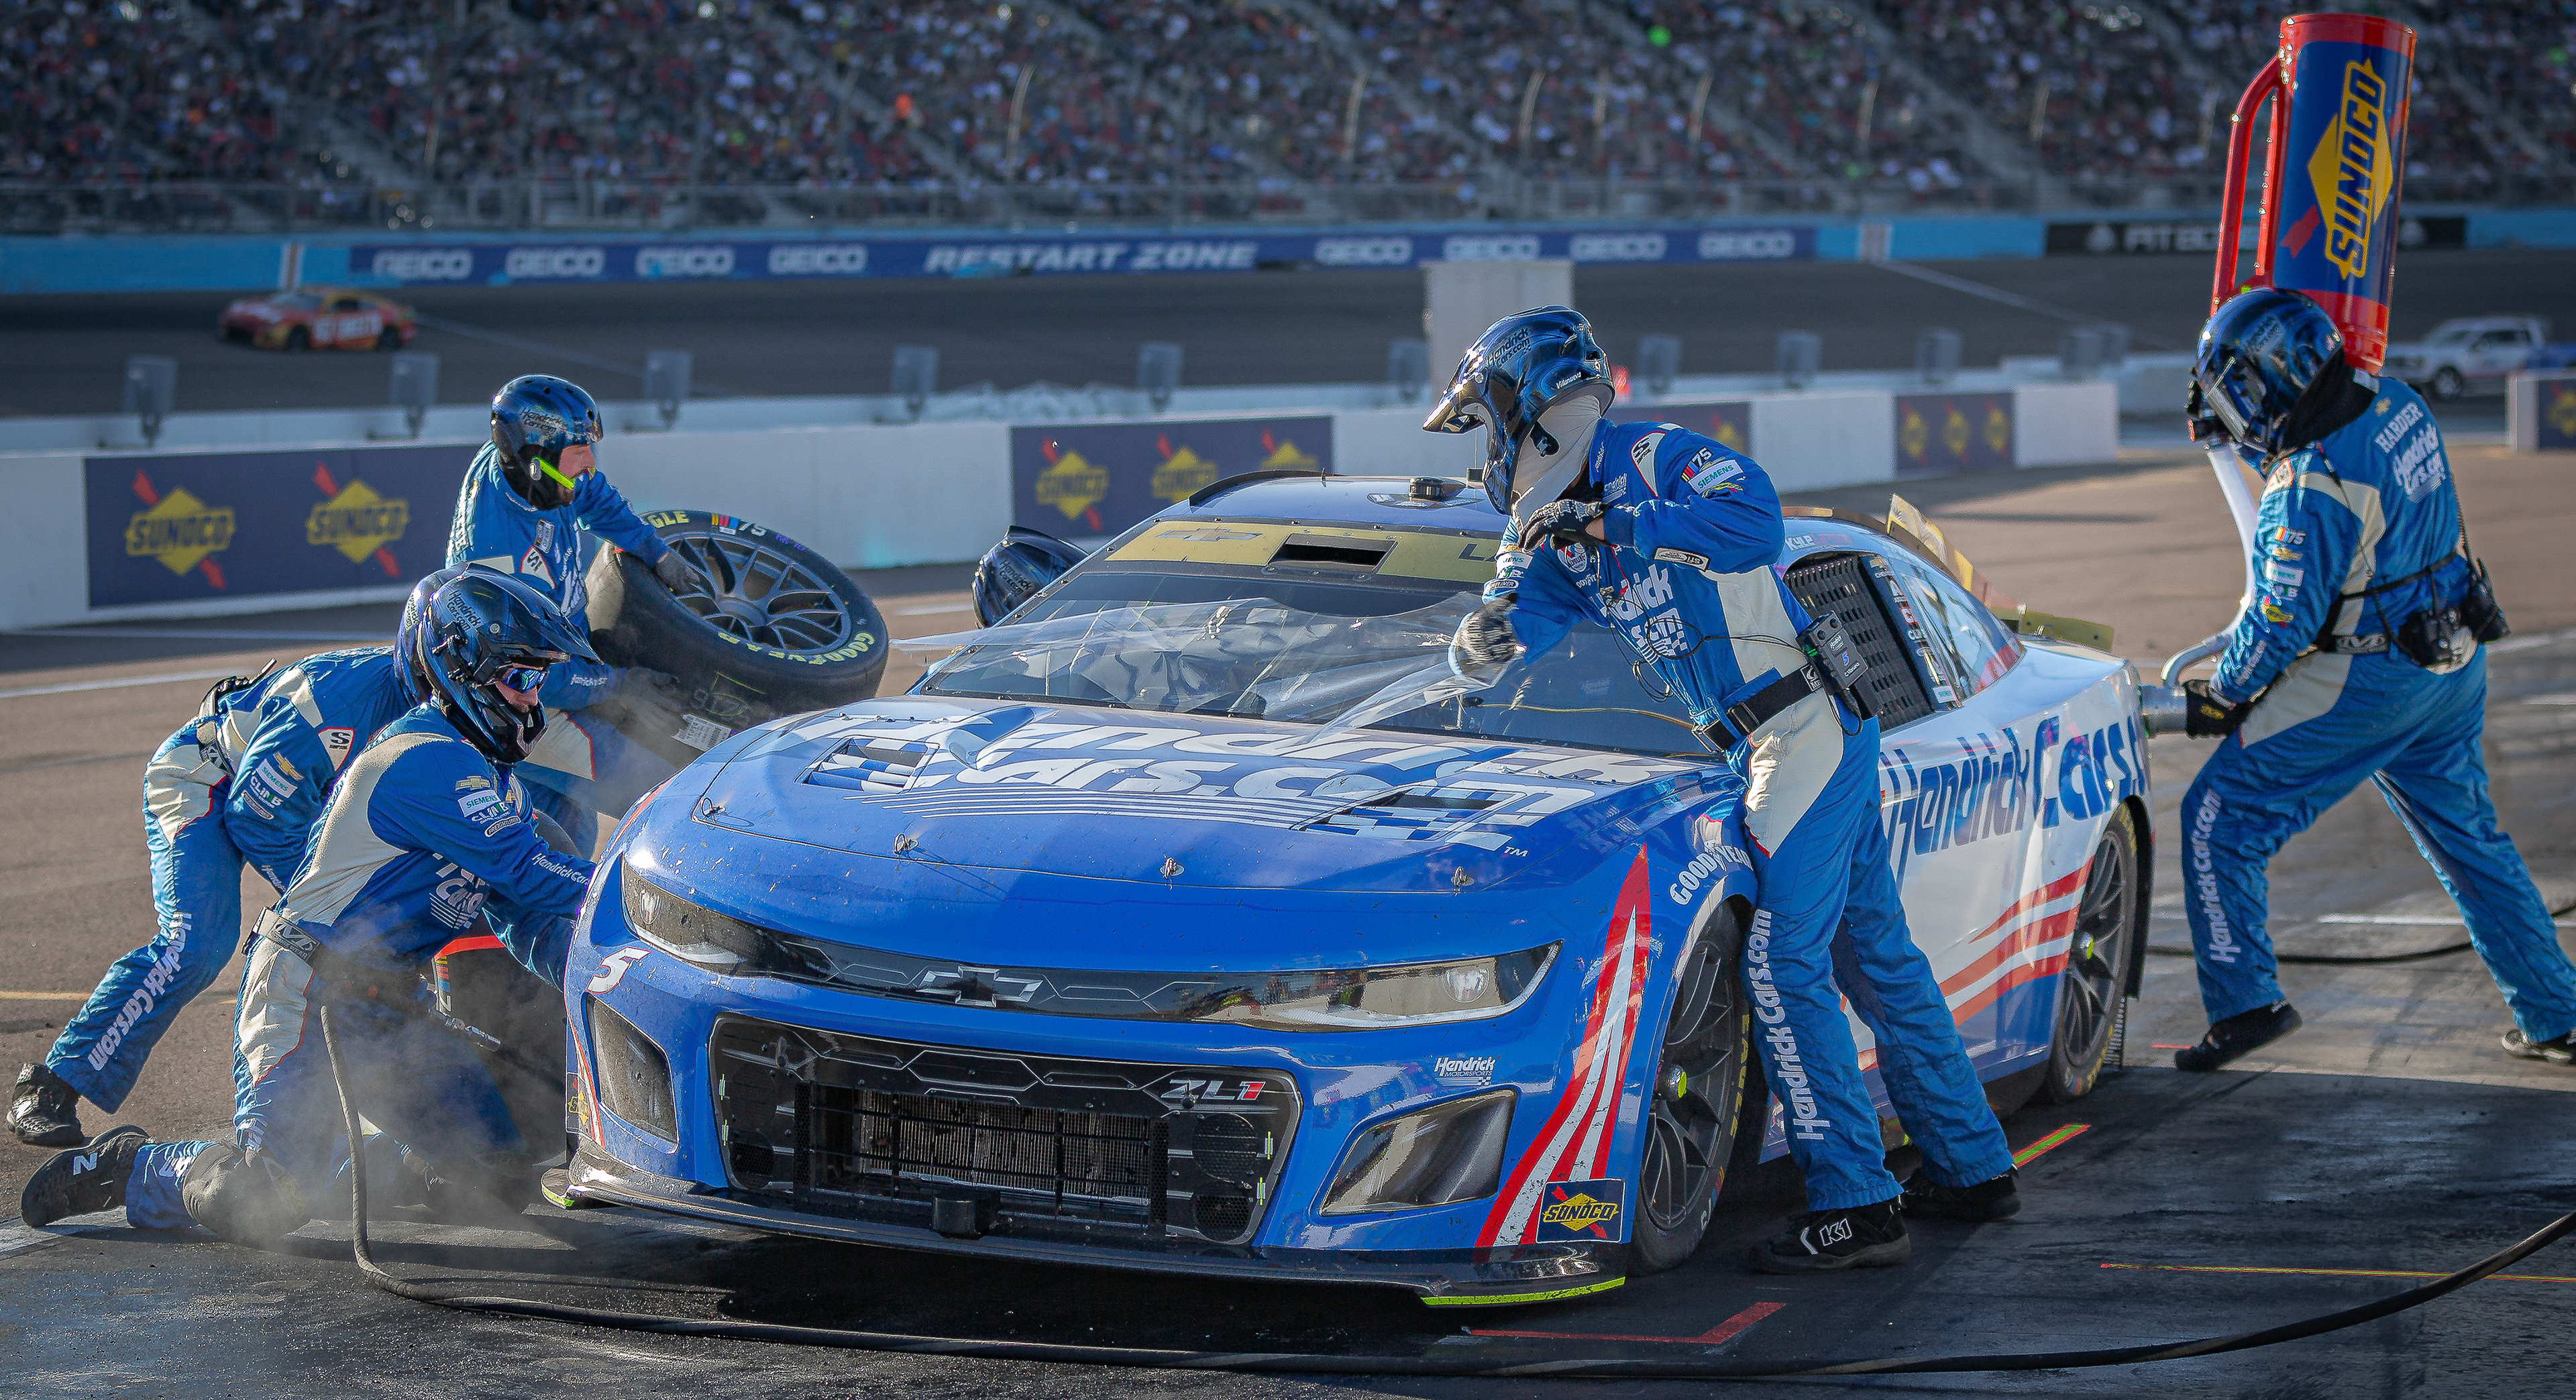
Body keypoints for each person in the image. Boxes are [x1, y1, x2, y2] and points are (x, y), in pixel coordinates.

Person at [1424, 307, 2019, 1275]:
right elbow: (1525, 621)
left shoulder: (1656, 459)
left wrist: (1616, 518)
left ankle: (1859, 1204)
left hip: (1802, 729)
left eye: (1491, 422)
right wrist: (1481, 645)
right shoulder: (1561, 530)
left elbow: (1757, 523)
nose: (1489, 449)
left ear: (1535, 412)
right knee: (1874, 956)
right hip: (1778, 741)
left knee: (1786, 967)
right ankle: (1972, 1166)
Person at [18, 568, 598, 1237]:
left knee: (495, 1174)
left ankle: (321, 1162)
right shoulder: (425, 758)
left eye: (542, 682)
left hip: (384, 1008)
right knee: (258, 1192)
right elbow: (528, 871)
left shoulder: (492, 781)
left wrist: (606, 978)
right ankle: (132, 1164)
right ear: (460, 670)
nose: (536, 705)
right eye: (522, 679)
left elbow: (528, 920)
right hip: (308, 987)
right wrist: (635, 893)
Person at [2171, 288, 2576, 1071]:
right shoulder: (2398, 400)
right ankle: (2556, 1012)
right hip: (2454, 658)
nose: (2242, 409)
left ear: (2279, 377)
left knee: (2217, 816)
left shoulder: (2308, 484)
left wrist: (2222, 690)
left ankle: (2246, 1003)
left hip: (2371, 679)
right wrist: (2245, 446)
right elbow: (2353, 495)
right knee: (2470, 841)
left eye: (2243, 390)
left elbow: (2280, 620)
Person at [9, 618, 427, 1147]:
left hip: (290, 800)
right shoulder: (344, 700)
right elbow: (256, 817)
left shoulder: (459, 708)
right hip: (206, 779)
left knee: (372, 934)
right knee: (197, 943)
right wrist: (328, 910)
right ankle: (53, 1084)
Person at [446, 373, 692, 853]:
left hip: (548, 669)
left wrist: (655, 551)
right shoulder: (498, 564)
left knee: (562, 845)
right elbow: (537, 678)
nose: (590, 463)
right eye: (576, 454)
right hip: (522, 706)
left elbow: (592, 494)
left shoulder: (532, 473)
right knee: (661, 788)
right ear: (534, 460)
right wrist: (620, 686)